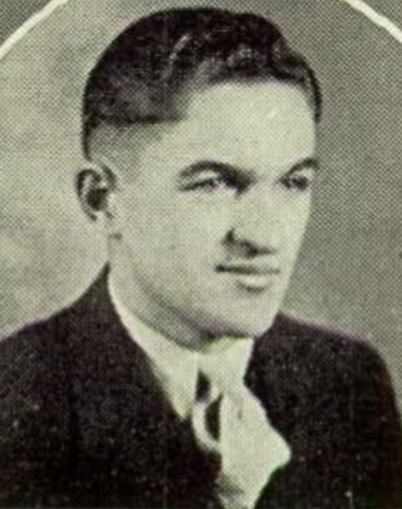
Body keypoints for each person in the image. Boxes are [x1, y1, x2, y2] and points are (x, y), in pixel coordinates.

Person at [0, 7, 401, 509]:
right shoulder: (16, 397)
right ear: (102, 201)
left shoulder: (348, 381)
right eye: (213, 184)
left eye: (294, 182)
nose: (265, 237)